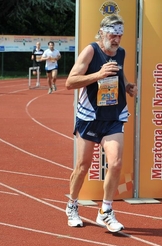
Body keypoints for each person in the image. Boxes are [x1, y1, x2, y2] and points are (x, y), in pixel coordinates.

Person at [64, 14, 137, 233]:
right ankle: (72, 205)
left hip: (113, 116)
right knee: (83, 166)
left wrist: (127, 86)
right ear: (102, 32)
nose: (116, 39)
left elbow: (119, 73)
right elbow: (70, 82)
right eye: (113, 34)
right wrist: (98, 74)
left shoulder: (121, 53)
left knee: (115, 163)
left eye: (119, 35)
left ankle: (105, 211)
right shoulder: (91, 51)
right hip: (89, 117)